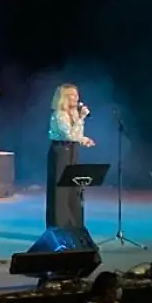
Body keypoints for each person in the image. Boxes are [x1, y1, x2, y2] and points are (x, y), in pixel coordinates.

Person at [47, 83, 95, 229]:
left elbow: (76, 135)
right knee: (61, 189)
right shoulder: (59, 115)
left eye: (76, 94)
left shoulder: (73, 114)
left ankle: (74, 224)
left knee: (74, 188)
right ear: (64, 98)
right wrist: (82, 118)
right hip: (61, 151)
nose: (76, 98)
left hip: (73, 150)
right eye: (72, 95)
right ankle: (59, 224)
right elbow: (68, 135)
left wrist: (84, 139)